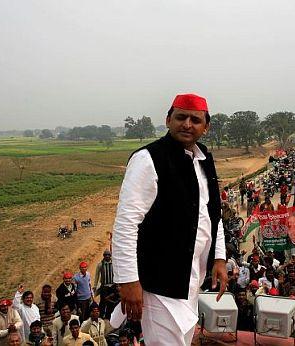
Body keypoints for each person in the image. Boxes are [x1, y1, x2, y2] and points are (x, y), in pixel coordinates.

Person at [111, 94, 227, 346]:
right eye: (180, 117)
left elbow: (212, 213)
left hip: (190, 277)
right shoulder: (148, 159)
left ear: (205, 127)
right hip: (159, 281)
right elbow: (126, 224)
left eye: (195, 120)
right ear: (167, 120)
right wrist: (129, 281)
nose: (187, 124)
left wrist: (219, 257)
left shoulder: (203, 158)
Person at [94, 249, 117, 319]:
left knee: (112, 302)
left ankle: (109, 316)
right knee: (103, 302)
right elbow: (97, 275)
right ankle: (101, 316)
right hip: (104, 286)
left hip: (112, 286)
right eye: (105, 255)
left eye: (108, 255)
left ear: (110, 256)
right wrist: (95, 285)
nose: (107, 256)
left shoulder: (114, 264)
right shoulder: (100, 265)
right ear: (103, 256)